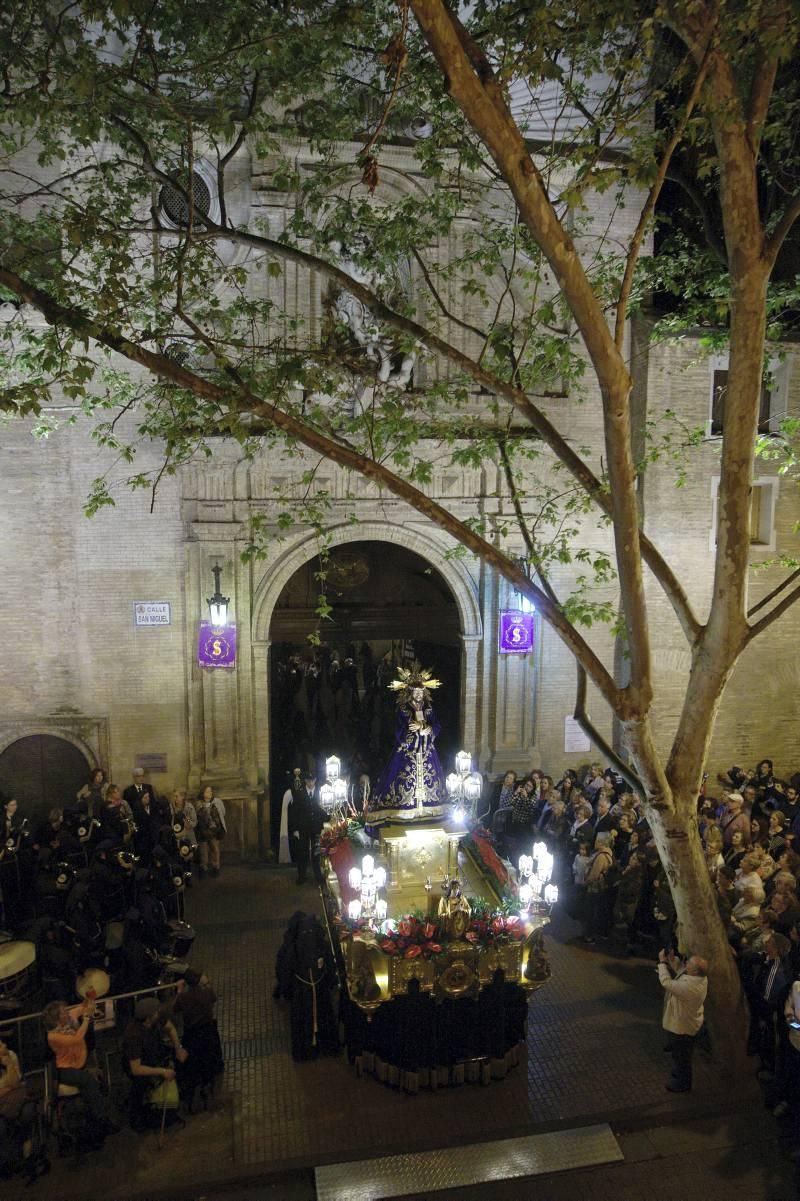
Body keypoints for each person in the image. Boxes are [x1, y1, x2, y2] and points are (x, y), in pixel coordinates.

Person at [369, 664, 448, 822]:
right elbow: (399, 730)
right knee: (401, 779)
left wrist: (427, 728)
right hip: (408, 751)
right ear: (410, 692)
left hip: (427, 750)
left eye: (421, 691)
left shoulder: (429, 708)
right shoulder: (403, 709)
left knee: (432, 780)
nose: (419, 694)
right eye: (415, 692)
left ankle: (428, 809)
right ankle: (405, 809)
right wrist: (413, 732)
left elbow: (437, 725)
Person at [43, 998, 118, 1141]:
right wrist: (87, 1018)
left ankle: (93, 1122)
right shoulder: (53, 1036)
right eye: (63, 1012)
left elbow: (80, 1008)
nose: (67, 1012)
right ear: (58, 1019)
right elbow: (77, 1039)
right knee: (89, 1081)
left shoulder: (68, 1020)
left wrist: (88, 1002)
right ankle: (101, 1120)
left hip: (78, 1062)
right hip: (64, 1068)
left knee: (90, 1085)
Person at [121, 997, 185, 1129]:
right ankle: (138, 1117)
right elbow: (136, 1069)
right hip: (140, 1065)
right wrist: (163, 1071)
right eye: (156, 1012)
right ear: (148, 1018)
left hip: (155, 1053)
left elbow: (170, 1028)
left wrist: (178, 1049)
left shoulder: (155, 1019)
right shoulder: (134, 1036)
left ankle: (174, 1104)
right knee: (140, 1086)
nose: (159, 1013)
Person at [657, 949, 708, 1093]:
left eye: (690, 963)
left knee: (682, 1058)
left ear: (696, 971)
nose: (686, 963)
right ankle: (678, 1075)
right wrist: (672, 960)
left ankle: (682, 1084)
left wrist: (662, 963)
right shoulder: (698, 978)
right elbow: (681, 971)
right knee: (679, 1054)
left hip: (683, 1028)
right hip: (684, 1023)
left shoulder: (691, 987)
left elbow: (667, 982)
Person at [173, 969, 224, 1110]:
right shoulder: (206, 992)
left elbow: (175, 1009)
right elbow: (213, 998)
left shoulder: (184, 997)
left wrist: (179, 991)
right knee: (209, 1058)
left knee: (195, 1061)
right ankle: (209, 1086)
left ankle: (196, 1089)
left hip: (192, 1033)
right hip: (208, 1031)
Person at [289, 774, 326, 885]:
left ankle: (318, 876)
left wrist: (326, 822)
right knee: (303, 852)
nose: (311, 783)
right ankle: (301, 876)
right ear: (305, 780)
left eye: (313, 780)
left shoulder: (321, 792)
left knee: (317, 852)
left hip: (316, 827)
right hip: (303, 827)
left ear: (315, 780)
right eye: (308, 780)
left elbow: (323, 810)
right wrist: (295, 829)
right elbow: (294, 812)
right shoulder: (299, 794)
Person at [196, 786, 226, 878]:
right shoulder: (198, 804)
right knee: (203, 851)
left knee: (215, 849)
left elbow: (223, 812)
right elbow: (194, 816)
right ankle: (203, 868)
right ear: (203, 793)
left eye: (210, 791)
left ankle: (215, 867)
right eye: (207, 792)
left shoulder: (217, 802)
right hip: (203, 831)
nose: (209, 793)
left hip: (214, 830)